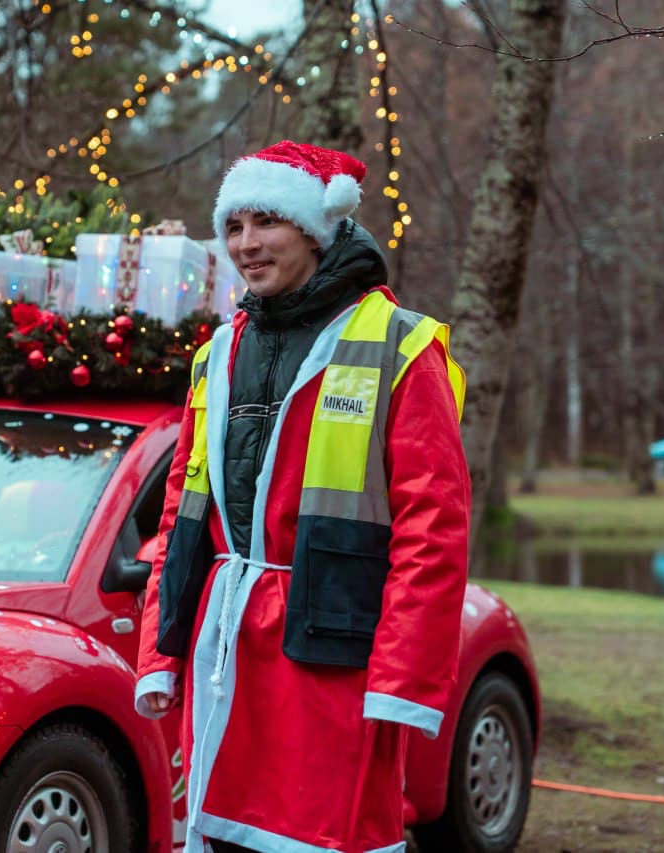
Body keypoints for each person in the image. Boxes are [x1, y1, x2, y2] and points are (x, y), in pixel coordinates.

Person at [133, 141, 470, 853]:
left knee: (329, 837)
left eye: (267, 222)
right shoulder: (216, 351)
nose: (246, 245)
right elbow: (180, 515)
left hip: (331, 659)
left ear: (315, 229)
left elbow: (433, 527)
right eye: (233, 226)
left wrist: (401, 681)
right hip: (223, 647)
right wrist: (159, 650)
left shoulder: (400, 346)